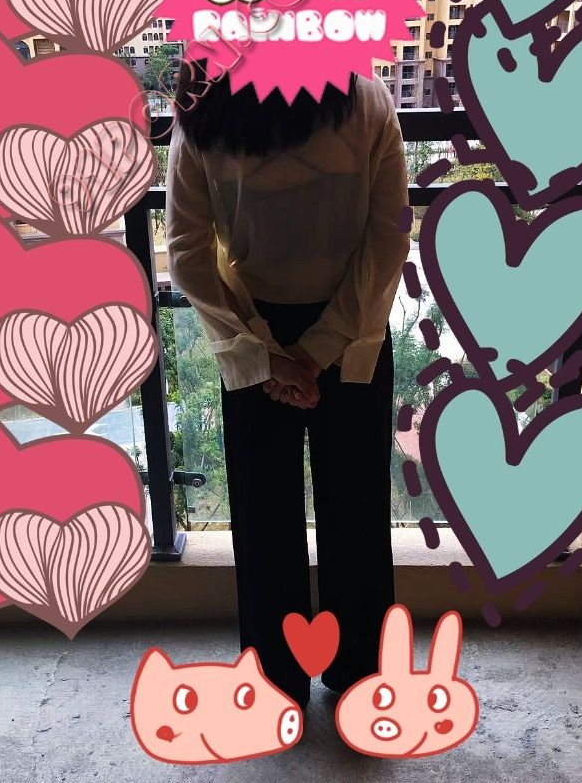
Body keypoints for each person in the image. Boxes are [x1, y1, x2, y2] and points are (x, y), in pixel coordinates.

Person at [166, 62, 410, 710]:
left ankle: (276, 681)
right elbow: (388, 239)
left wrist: (266, 357)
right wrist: (320, 348)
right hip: (353, 333)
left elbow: (186, 251)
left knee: (263, 517)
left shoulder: (203, 113)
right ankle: (358, 670)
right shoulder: (367, 101)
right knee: (357, 512)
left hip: (251, 334)